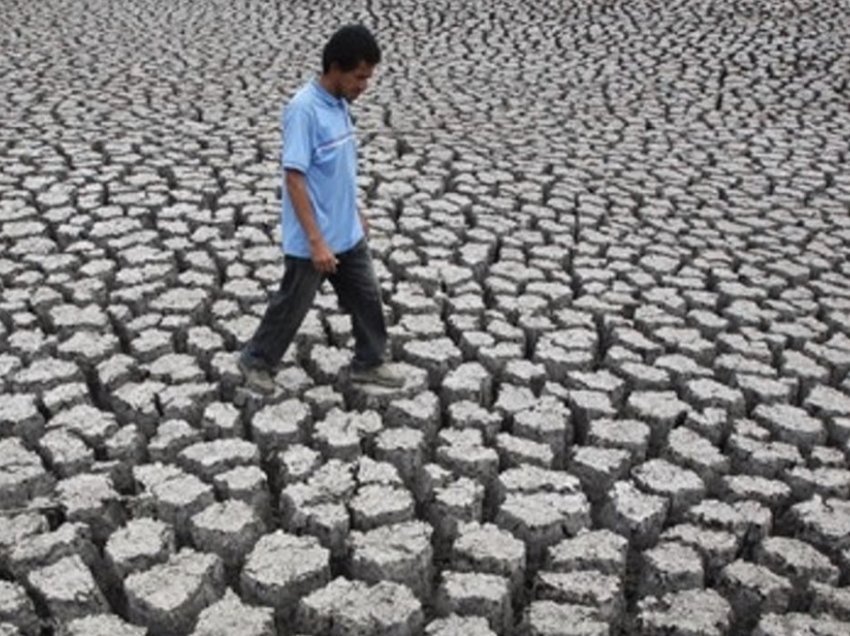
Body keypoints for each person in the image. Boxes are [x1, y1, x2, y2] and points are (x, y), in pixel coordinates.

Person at [238, 24, 403, 393]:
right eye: (359, 77)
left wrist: (355, 210)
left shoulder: (341, 105)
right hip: (314, 237)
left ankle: (370, 362)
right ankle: (256, 360)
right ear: (335, 68)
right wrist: (316, 242)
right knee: (292, 306)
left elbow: (337, 169)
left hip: (346, 231)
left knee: (367, 298)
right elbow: (294, 179)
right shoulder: (303, 110)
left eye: (368, 78)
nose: (364, 86)